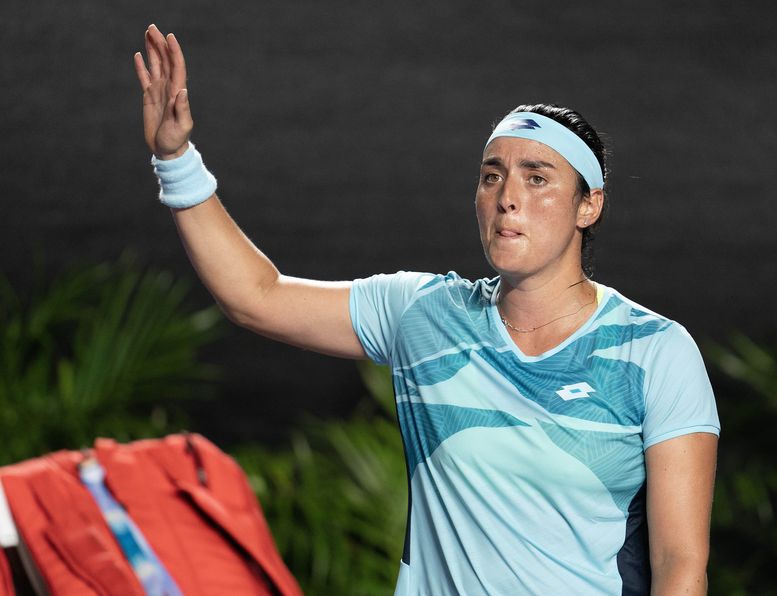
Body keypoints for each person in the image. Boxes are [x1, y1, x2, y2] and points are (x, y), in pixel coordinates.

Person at [134, 24, 720, 596]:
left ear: (587, 205)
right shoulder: (423, 313)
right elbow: (255, 297)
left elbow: (680, 566)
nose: (508, 197)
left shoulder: (657, 351)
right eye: (493, 176)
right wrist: (175, 157)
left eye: (537, 178)